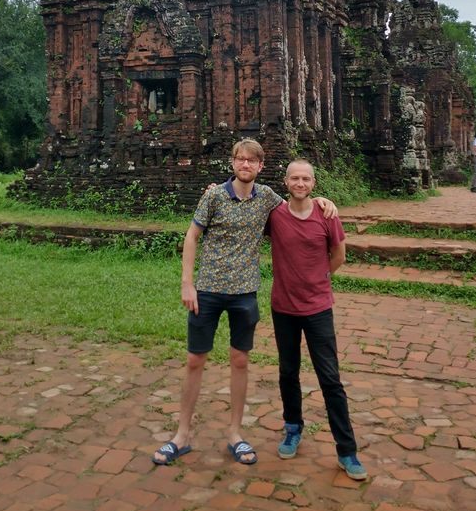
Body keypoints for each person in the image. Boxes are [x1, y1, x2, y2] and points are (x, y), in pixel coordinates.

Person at [152, 139, 337, 467]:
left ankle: (235, 433)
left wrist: (320, 200)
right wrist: (187, 284)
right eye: (241, 159)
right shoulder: (213, 195)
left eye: (253, 161)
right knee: (195, 359)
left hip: (244, 293)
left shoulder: (267, 198)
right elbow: (192, 236)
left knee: (240, 361)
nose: (246, 165)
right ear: (233, 162)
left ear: (261, 166)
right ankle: (181, 434)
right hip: (207, 290)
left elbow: (297, 203)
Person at [265, 159, 368, 481]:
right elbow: (242, 207)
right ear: (286, 182)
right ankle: (292, 427)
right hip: (283, 306)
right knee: (288, 371)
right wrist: (216, 192)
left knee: (330, 379)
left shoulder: (326, 214)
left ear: (313, 183)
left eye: (305, 179)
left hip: (318, 307)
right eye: (294, 178)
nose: (300, 183)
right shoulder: (275, 215)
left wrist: (320, 278)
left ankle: (346, 449)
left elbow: (339, 254)